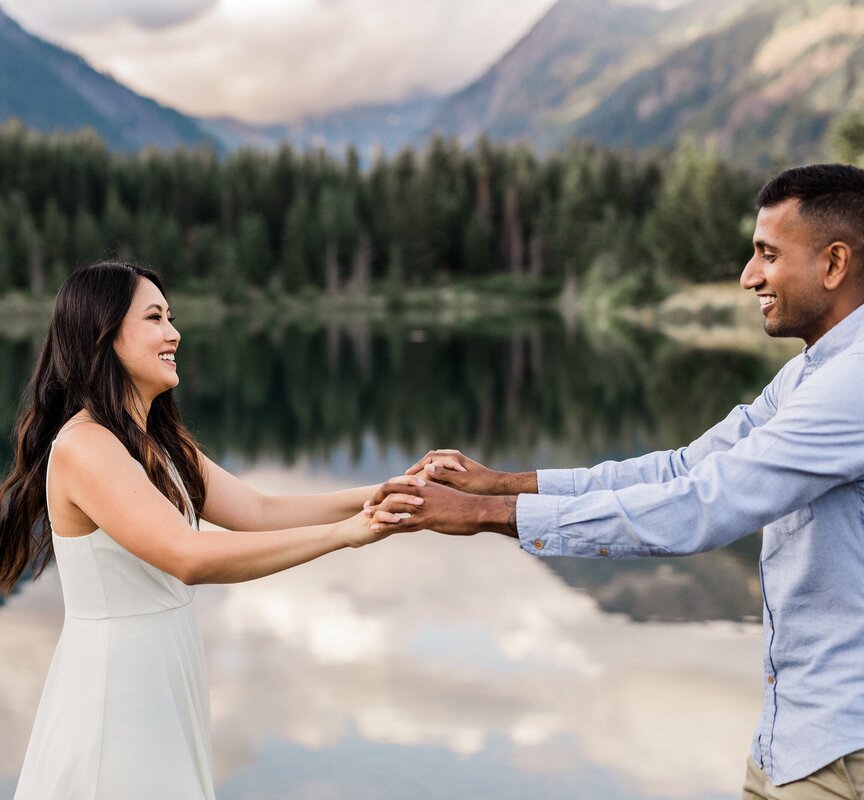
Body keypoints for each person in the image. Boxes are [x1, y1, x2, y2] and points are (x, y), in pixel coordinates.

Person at [366, 163, 864, 798]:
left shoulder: (852, 387)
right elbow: (683, 468)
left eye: (768, 254)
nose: (749, 276)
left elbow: (701, 506)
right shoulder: (811, 375)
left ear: (834, 263)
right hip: (793, 743)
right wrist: (502, 485)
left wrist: (484, 517)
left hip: (841, 755)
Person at [0, 261, 404, 800]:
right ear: (104, 336)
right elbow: (187, 556)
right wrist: (346, 535)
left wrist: (383, 491)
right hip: (118, 684)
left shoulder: (155, 439)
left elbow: (259, 509)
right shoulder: (86, 446)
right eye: (154, 317)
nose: (175, 333)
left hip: (164, 669)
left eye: (171, 316)